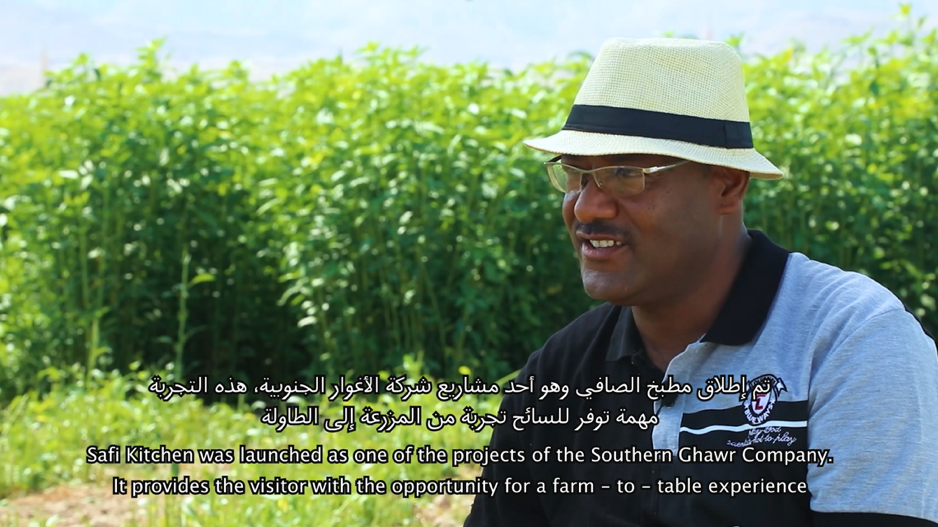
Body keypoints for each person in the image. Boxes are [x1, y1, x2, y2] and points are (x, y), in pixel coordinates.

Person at [463, 37, 938, 527]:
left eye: (626, 174)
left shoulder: (849, 342)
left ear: (727, 184)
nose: (587, 207)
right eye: (576, 175)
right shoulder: (561, 373)